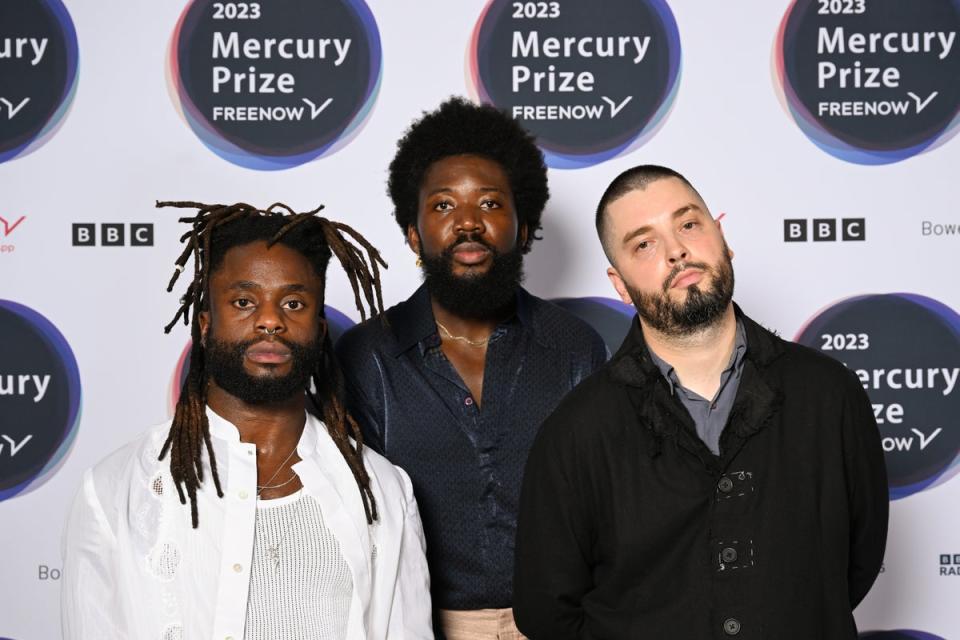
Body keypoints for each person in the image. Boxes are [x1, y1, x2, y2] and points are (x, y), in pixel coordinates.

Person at [513, 165, 888, 639]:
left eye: (688, 224)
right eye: (643, 244)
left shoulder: (830, 394)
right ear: (619, 284)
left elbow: (854, 565)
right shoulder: (575, 432)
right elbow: (548, 613)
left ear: (721, 237)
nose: (676, 251)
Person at [61, 202, 433, 639]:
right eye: (243, 301)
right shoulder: (115, 491)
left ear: (318, 328)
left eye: (293, 303)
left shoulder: (382, 490)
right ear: (204, 325)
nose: (271, 320)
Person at [336, 97, 607, 639]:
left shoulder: (575, 347)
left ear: (523, 227)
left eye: (489, 203)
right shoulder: (366, 357)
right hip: (421, 626)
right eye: (441, 206)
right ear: (413, 235)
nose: (467, 223)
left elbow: (604, 512)